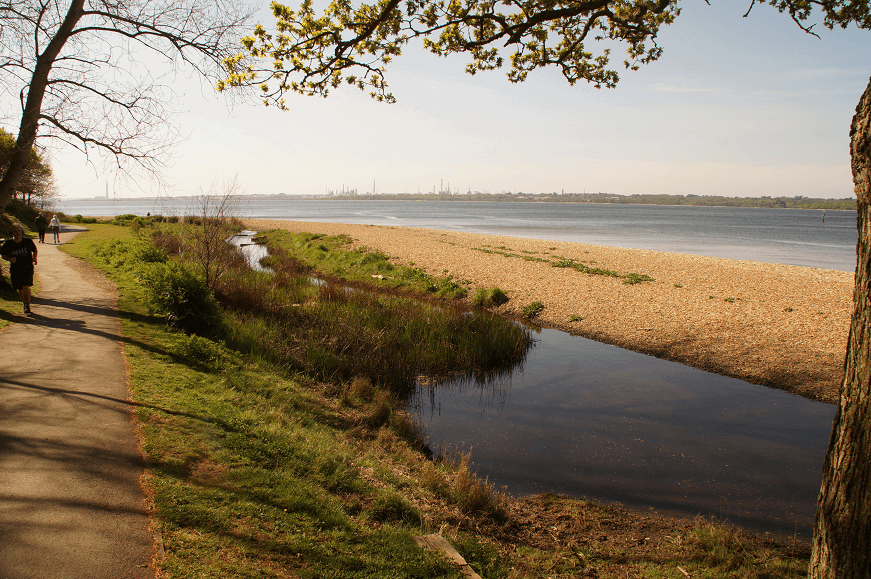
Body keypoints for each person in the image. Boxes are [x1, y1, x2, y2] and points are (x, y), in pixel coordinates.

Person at [1, 223, 38, 315]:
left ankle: (27, 305)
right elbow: (3, 255)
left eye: (19, 231)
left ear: (21, 231)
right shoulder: (8, 243)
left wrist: (34, 257)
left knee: (26, 286)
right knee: (20, 288)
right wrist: (10, 259)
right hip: (15, 268)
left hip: (27, 267)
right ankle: (24, 302)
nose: (18, 233)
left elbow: (34, 250)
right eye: (15, 231)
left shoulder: (27, 241)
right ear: (12, 232)